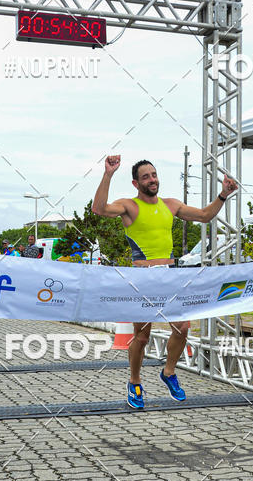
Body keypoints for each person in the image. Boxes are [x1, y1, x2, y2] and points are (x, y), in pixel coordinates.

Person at [93, 155, 238, 410]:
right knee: (142, 336)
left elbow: (205, 215)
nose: (152, 179)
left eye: (154, 174)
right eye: (146, 177)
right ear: (136, 183)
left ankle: (169, 372)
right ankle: (135, 381)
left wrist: (223, 194)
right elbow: (100, 209)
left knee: (182, 327)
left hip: (170, 274)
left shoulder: (170, 205)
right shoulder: (129, 206)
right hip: (143, 278)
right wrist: (108, 174)